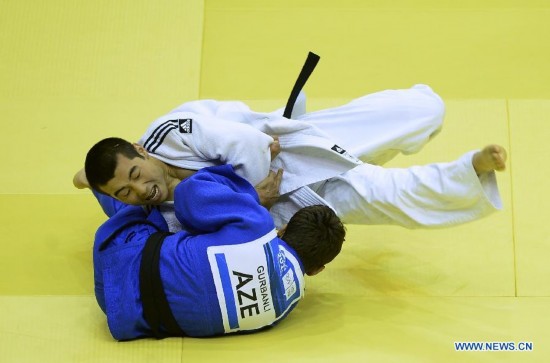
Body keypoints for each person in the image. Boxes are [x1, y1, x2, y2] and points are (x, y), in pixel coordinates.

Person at [75, 84, 507, 229]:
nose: (139, 190)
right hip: (288, 205)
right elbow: (210, 236)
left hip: (295, 147)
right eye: (124, 192)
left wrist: (246, 189)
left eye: (134, 173)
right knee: (387, 194)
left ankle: (372, 152)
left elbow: (248, 146)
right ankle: (471, 169)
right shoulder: (159, 216)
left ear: (141, 149)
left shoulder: (170, 133)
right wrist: (254, 201)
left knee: (423, 111)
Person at [93, 164, 345, 340]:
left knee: (150, 208)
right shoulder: (283, 310)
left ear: (283, 228)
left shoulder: (258, 225)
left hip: (117, 260)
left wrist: (251, 197)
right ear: (315, 270)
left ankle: (96, 180)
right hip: (129, 320)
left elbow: (188, 193)